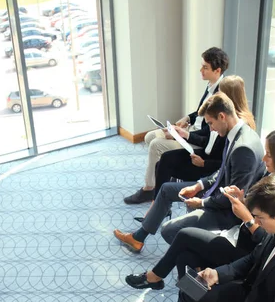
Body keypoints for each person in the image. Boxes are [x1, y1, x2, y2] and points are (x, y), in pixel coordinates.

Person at [125, 127, 275, 302]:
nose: (264, 159)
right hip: (238, 238)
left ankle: (157, 278)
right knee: (184, 257)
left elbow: (270, 244)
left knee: (185, 236)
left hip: (248, 252)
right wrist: (243, 199)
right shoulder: (271, 176)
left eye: (270, 155)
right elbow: (260, 210)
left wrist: (247, 218)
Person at [113, 92, 265, 253]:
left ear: (222, 116)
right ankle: (138, 238)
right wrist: (199, 186)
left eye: (211, 123)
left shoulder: (243, 148)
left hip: (226, 212)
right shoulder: (236, 134)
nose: (211, 129)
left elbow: (232, 199)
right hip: (216, 191)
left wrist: (201, 203)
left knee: (169, 230)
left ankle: (195, 263)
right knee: (166, 189)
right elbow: (223, 170)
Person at [124, 47, 229, 204]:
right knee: (149, 136)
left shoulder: (221, 94)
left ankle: (149, 188)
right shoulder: (211, 85)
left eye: (205, 67)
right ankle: (161, 177)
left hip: (196, 139)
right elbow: (201, 113)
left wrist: (183, 135)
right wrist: (188, 118)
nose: (201, 70)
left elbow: (209, 135)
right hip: (191, 130)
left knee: (156, 145)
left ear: (217, 70)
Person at [147, 76, 257, 201]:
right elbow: (209, 141)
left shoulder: (232, 124)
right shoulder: (221, 118)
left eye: (220, 92)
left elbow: (226, 163)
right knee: (164, 161)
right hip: (206, 155)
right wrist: (185, 135)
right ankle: (157, 204)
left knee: (164, 167)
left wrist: (204, 163)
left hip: (210, 166)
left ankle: (157, 204)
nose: (217, 94)